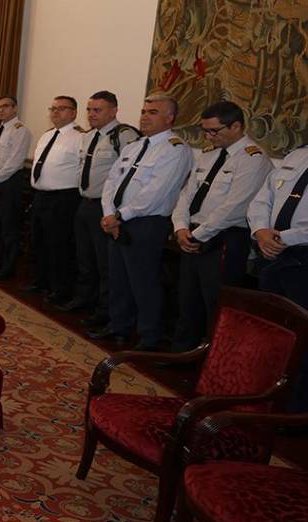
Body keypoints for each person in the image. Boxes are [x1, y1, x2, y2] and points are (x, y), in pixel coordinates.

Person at [169, 101, 271, 352]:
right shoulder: (208, 154)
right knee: (187, 299)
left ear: (236, 126)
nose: (208, 136)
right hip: (192, 235)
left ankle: (214, 359)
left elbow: (234, 207)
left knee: (216, 304)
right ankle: (182, 353)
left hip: (224, 239)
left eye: (214, 131)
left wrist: (197, 235)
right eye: (205, 130)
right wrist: (181, 227)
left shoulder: (252, 158)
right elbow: (187, 195)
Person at [95, 94, 193, 350]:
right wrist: (109, 212)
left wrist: (119, 216)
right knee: (117, 278)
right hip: (116, 221)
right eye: (143, 111)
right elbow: (111, 181)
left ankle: (149, 335)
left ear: (170, 118)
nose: (144, 117)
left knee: (143, 281)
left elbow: (156, 193)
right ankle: (119, 326)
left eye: (152, 112)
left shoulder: (175, 149)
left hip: (146, 224)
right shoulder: (134, 146)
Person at [70, 91, 140, 324]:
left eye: (97, 110)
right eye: (89, 110)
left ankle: (104, 311)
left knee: (105, 263)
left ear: (114, 111)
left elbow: (128, 176)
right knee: (84, 257)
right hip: (85, 203)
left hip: (106, 208)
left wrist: (116, 213)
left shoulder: (124, 135)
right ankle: (85, 299)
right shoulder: (89, 136)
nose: (91, 114)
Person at [250, 143, 308, 411]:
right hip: (272, 254)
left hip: (302, 258)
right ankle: (261, 397)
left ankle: (293, 410)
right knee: (271, 332)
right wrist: (261, 230)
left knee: (302, 341)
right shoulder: (297, 155)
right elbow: (263, 198)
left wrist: (284, 238)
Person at [25, 96, 84, 302]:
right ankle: (41, 281)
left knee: (58, 245)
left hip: (63, 198)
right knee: (39, 241)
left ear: (73, 113)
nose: (55, 112)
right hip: (40, 196)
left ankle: (60, 289)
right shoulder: (47, 135)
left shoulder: (80, 137)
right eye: (53, 108)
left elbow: (83, 170)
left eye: (62, 108)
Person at [0, 97, 32, 277]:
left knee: (8, 227)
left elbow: (14, 163)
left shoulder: (20, 131)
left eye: (5, 106)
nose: (1, 110)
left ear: (15, 108)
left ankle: (7, 268)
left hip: (8, 182)